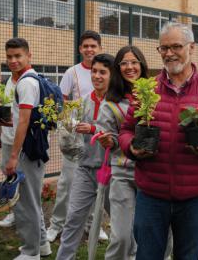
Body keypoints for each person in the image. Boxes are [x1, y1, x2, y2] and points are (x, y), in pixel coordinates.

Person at [119, 22, 198, 259]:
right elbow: (126, 130)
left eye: (176, 46)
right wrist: (131, 147)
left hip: (194, 195)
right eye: (163, 48)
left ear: (191, 47)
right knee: (147, 254)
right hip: (151, 194)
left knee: (188, 255)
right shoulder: (146, 90)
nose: (169, 53)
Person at [47, 30, 108, 242]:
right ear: (80, 49)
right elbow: (62, 101)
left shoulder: (107, 71)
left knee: (96, 183)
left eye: (93, 46)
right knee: (67, 182)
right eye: (85, 46)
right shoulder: (71, 72)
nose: (89, 49)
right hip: (75, 137)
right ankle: (57, 224)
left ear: (100, 47)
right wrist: (68, 128)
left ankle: (94, 226)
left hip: (99, 135)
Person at [56, 53, 114, 260]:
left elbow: (120, 134)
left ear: (112, 75)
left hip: (112, 172)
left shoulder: (118, 102)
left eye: (103, 72)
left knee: (121, 223)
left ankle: (131, 254)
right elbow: (68, 128)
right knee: (73, 220)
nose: (97, 76)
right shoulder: (80, 104)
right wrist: (65, 131)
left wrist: (92, 128)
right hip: (85, 169)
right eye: (94, 71)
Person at [97, 46, 148, 260]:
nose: (130, 67)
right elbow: (106, 136)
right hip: (123, 173)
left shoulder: (154, 96)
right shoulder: (110, 103)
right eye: (124, 63)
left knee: (150, 236)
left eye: (134, 62)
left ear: (142, 65)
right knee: (121, 237)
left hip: (152, 174)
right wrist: (107, 139)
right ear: (118, 68)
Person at [4, 38, 52, 260]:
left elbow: (23, 122)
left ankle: (31, 253)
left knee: (25, 203)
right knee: (31, 199)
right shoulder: (24, 80)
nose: (13, 60)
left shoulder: (26, 83)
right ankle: (42, 245)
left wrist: (13, 157)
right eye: (9, 56)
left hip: (26, 151)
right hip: (31, 148)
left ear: (29, 55)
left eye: (18, 56)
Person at [0, 74, 17, 228]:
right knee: (8, 173)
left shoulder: (31, 81)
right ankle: (14, 212)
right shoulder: (7, 81)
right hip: (6, 138)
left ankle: (28, 216)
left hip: (22, 141)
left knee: (24, 180)